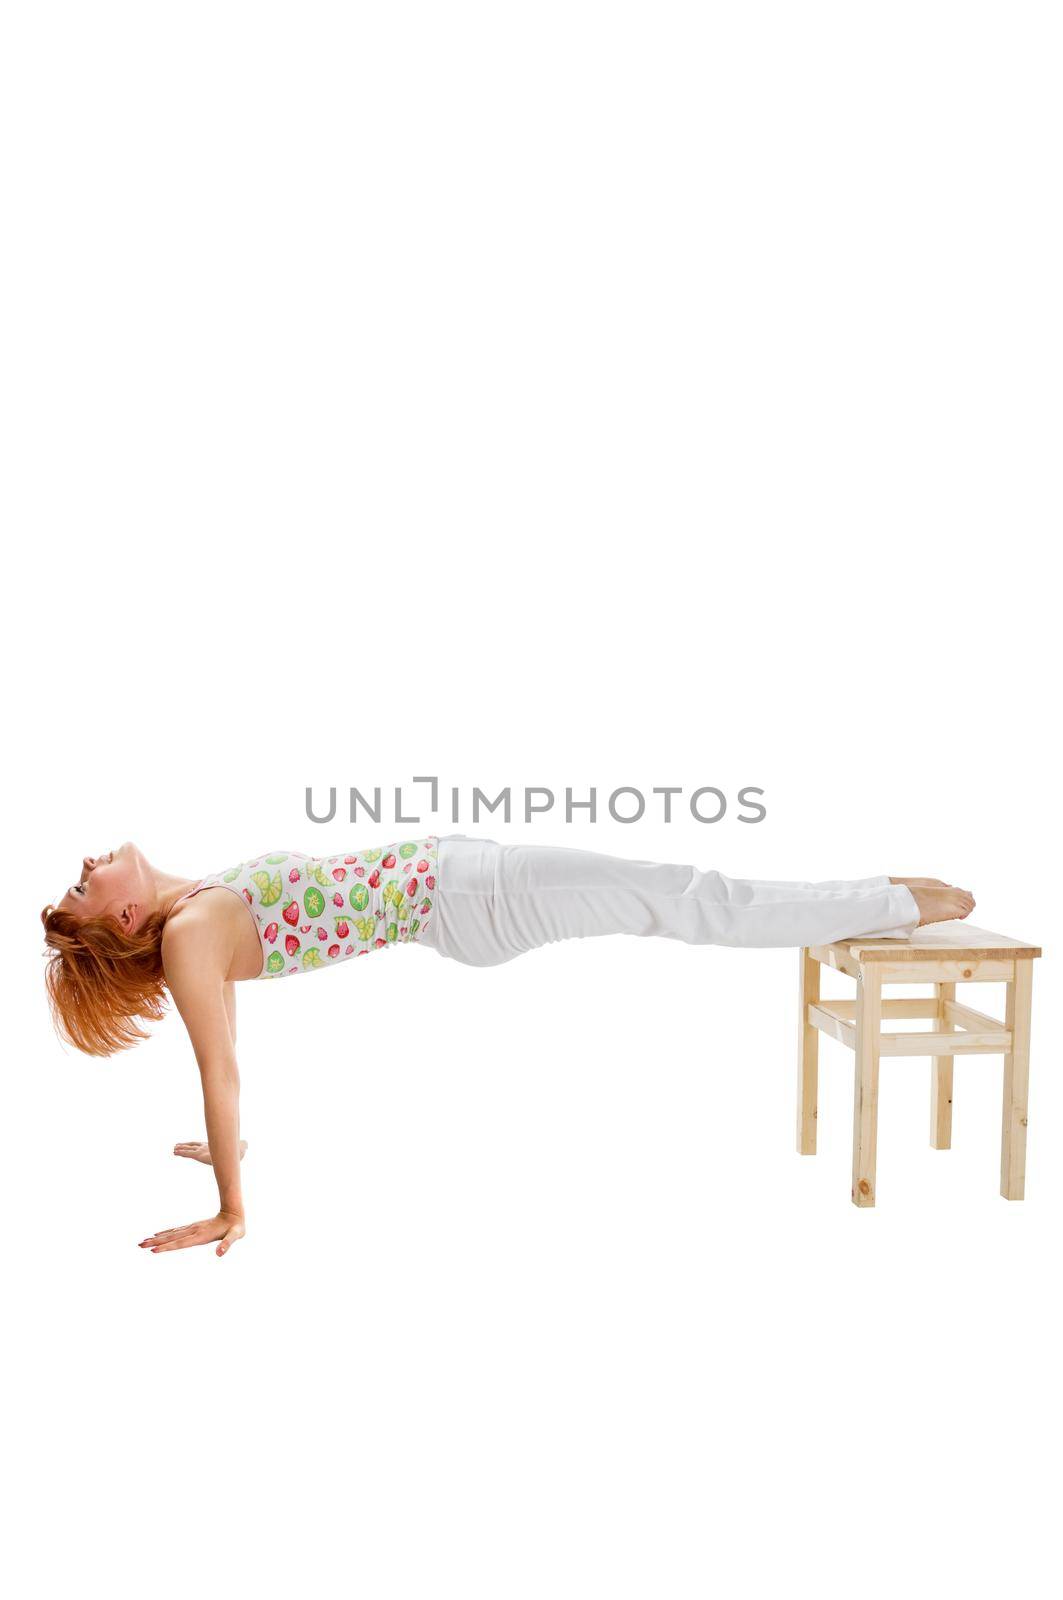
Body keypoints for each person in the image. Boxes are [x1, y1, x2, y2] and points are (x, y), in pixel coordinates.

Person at [40, 835, 974, 1257]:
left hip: (466, 893)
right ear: (126, 915)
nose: (85, 866)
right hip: (472, 896)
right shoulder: (188, 934)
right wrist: (229, 1205)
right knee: (683, 893)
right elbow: (218, 1064)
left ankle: (869, 894)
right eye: (83, 889)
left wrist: (231, 1142)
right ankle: (885, 901)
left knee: (677, 891)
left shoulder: (195, 917)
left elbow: (225, 1031)